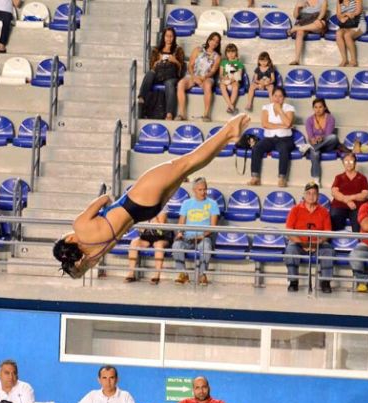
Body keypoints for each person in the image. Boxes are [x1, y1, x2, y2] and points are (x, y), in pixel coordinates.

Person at [53, 114, 250, 279]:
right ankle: (227, 131)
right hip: (136, 199)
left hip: (146, 212)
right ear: (69, 239)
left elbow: (76, 273)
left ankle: (227, 139)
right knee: (187, 162)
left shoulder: (93, 255)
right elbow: (104, 198)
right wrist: (109, 207)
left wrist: (69, 261)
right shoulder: (79, 226)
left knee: (188, 167)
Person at [284, 182, 334, 293]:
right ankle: (293, 282)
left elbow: (328, 232)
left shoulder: (324, 211)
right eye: (308, 193)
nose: (311, 196)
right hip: (299, 244)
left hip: (318, 244)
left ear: (318, 195)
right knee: (290, 249)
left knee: (328, 250)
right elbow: (289, 231)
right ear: (304, 195)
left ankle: (325, 282)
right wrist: (303, 244)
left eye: (314, 193)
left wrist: (317, 243)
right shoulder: (295, 209)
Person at [172, 177, 220, 286]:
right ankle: (183, 275)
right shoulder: (186, 203)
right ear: (194, 190)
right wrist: (179, 233)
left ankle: (202, 275)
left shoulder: (213, 204)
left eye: (205, 189)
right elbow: (181, 223)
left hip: (203, 237)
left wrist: (202, 236)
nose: (203, 192)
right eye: (200, 190)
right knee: (176, 245)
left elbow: (213, 227)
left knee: (206, 247)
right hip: (187, 237)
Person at [248, 87, 295, 187]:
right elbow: (265, 124)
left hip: (285, 139)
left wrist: (279, 110)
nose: (277, 98)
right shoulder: (266, 107)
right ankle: (255, 177)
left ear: (284, 98)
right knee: (256, 148)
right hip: (269, 138)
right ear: (272, 96)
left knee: (284, 149)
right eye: (275, 96)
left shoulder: (289, 108)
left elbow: (288, 123)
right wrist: (282, 126)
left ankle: (282, 178)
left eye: (280, 96)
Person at [138, 27, 185, 120]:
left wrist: (175, 60)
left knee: (170, 84)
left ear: (174, 38)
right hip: (158, 73)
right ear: (163, 37)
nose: (169, 38)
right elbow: (152, 66)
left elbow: (181, 68)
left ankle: (169, 113)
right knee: (150, 73)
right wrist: (158, 60)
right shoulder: (156, 50)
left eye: (171, 36)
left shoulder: (178, 50)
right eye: (167, 36)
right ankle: (141, 97)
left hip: (171, 75)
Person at [176, 32, 222, 122]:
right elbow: (190, 66)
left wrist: (203, 78)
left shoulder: (217, 56)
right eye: (213, 40)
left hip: (207, 77)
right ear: (209, 40)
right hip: (193, 75)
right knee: (181, 83)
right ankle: (182, 114)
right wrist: (194, 77)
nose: (214, 43)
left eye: (217, 42)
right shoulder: (198, 49)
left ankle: (206, 115)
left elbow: (212, 71)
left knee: (208, 85)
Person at [124, 210, 173, 285]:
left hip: (162, 237)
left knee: (158, 245)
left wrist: (153, 217)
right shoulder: (141, 208)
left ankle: (157, 276)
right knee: (134, 243)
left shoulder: (162, 207)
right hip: (147, 237)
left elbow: (161, 227)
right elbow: (139, 226)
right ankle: (131, 274)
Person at [329, 152, 368, 232]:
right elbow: (334, 192)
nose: (348, 164)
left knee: (359, 218)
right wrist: (346, 201)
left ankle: (358, 241)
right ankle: (336, 240)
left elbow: (365, 194)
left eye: (351, 161)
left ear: (355, 163)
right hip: (339, 205)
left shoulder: (362, 178)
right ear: (343, 163)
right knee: (334, 215)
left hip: (357, 206)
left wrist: (350, 198)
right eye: (346, 161)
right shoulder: (339, 177)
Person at [303, 98, 339, 185]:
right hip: (315, 144)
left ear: (325, 108)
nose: (318, 109)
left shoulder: (330, 119)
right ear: (313, 108)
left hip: (327, 145)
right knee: (315, 152)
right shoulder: (309, 120)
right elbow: (310, 136)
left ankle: (310, 147)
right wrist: (313, 140)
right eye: (315, 107)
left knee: (333, 137)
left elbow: (328, 135)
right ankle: (316, 180)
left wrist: (321, 138)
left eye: (320, 107)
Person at [288, 0, 328, 65]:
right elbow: (295, 16)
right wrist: (297, 7)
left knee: (320, 24)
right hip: (304, 20)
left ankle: (296, 28)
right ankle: (297, 60)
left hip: (316, 19)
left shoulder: (323, 1)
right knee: (299, 32)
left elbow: (323, 12)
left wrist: (318, 19)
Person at [334, 0, 366, 67]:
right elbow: (338, 15)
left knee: (347, 35)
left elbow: (358, 12)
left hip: (359, 24)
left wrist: (348, 15)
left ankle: (353, 60)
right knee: (338, 33)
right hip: (346, 25)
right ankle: (344, 60)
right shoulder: (339, 1)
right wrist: (346, 14)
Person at [218, 43, 244, 115]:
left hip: (234, 80)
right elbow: (220, 75)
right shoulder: (223, 62)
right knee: (222, 85)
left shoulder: (239, 63)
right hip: (225, 80)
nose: (231, 54)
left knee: (235, 86)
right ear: (226, 53)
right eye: (229, 52)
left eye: (233, 52)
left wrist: (233, 79)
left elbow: (239, 75)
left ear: (236, 53)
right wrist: (224, 78)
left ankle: (230, 107)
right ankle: (231, 106)